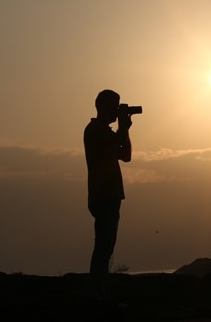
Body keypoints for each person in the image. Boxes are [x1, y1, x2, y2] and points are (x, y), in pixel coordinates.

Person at [84, 89, 132, 295]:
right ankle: (97, 293)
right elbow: (119, 144)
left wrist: (125, 128)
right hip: (103, 195)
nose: (117, 109)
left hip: (109, 195)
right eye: (115, 105)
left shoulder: (106, 131)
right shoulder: (95, 129)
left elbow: (126, 155)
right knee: (103, 246)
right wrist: (123, 126)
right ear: (102, 106)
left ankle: (100, 290)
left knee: (106, 246)